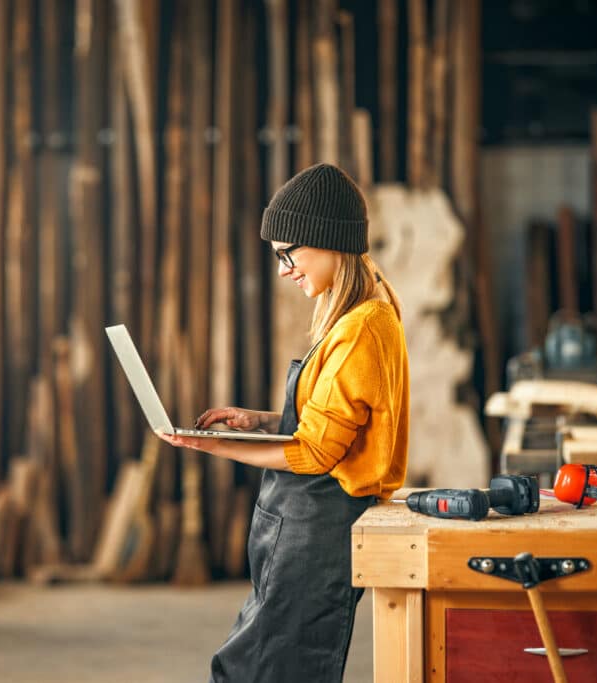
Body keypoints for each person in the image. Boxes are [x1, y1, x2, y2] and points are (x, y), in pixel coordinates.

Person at [157, 163, 410, 683]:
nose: (283, 270)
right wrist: (258, 421)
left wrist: (208, 445)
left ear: (326, 241)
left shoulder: (362, 326)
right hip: (298, 528)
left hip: (317, 531)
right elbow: (334, 422)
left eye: (287, 254)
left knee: (265, 669)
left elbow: (316, 453)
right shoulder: (356, 315)